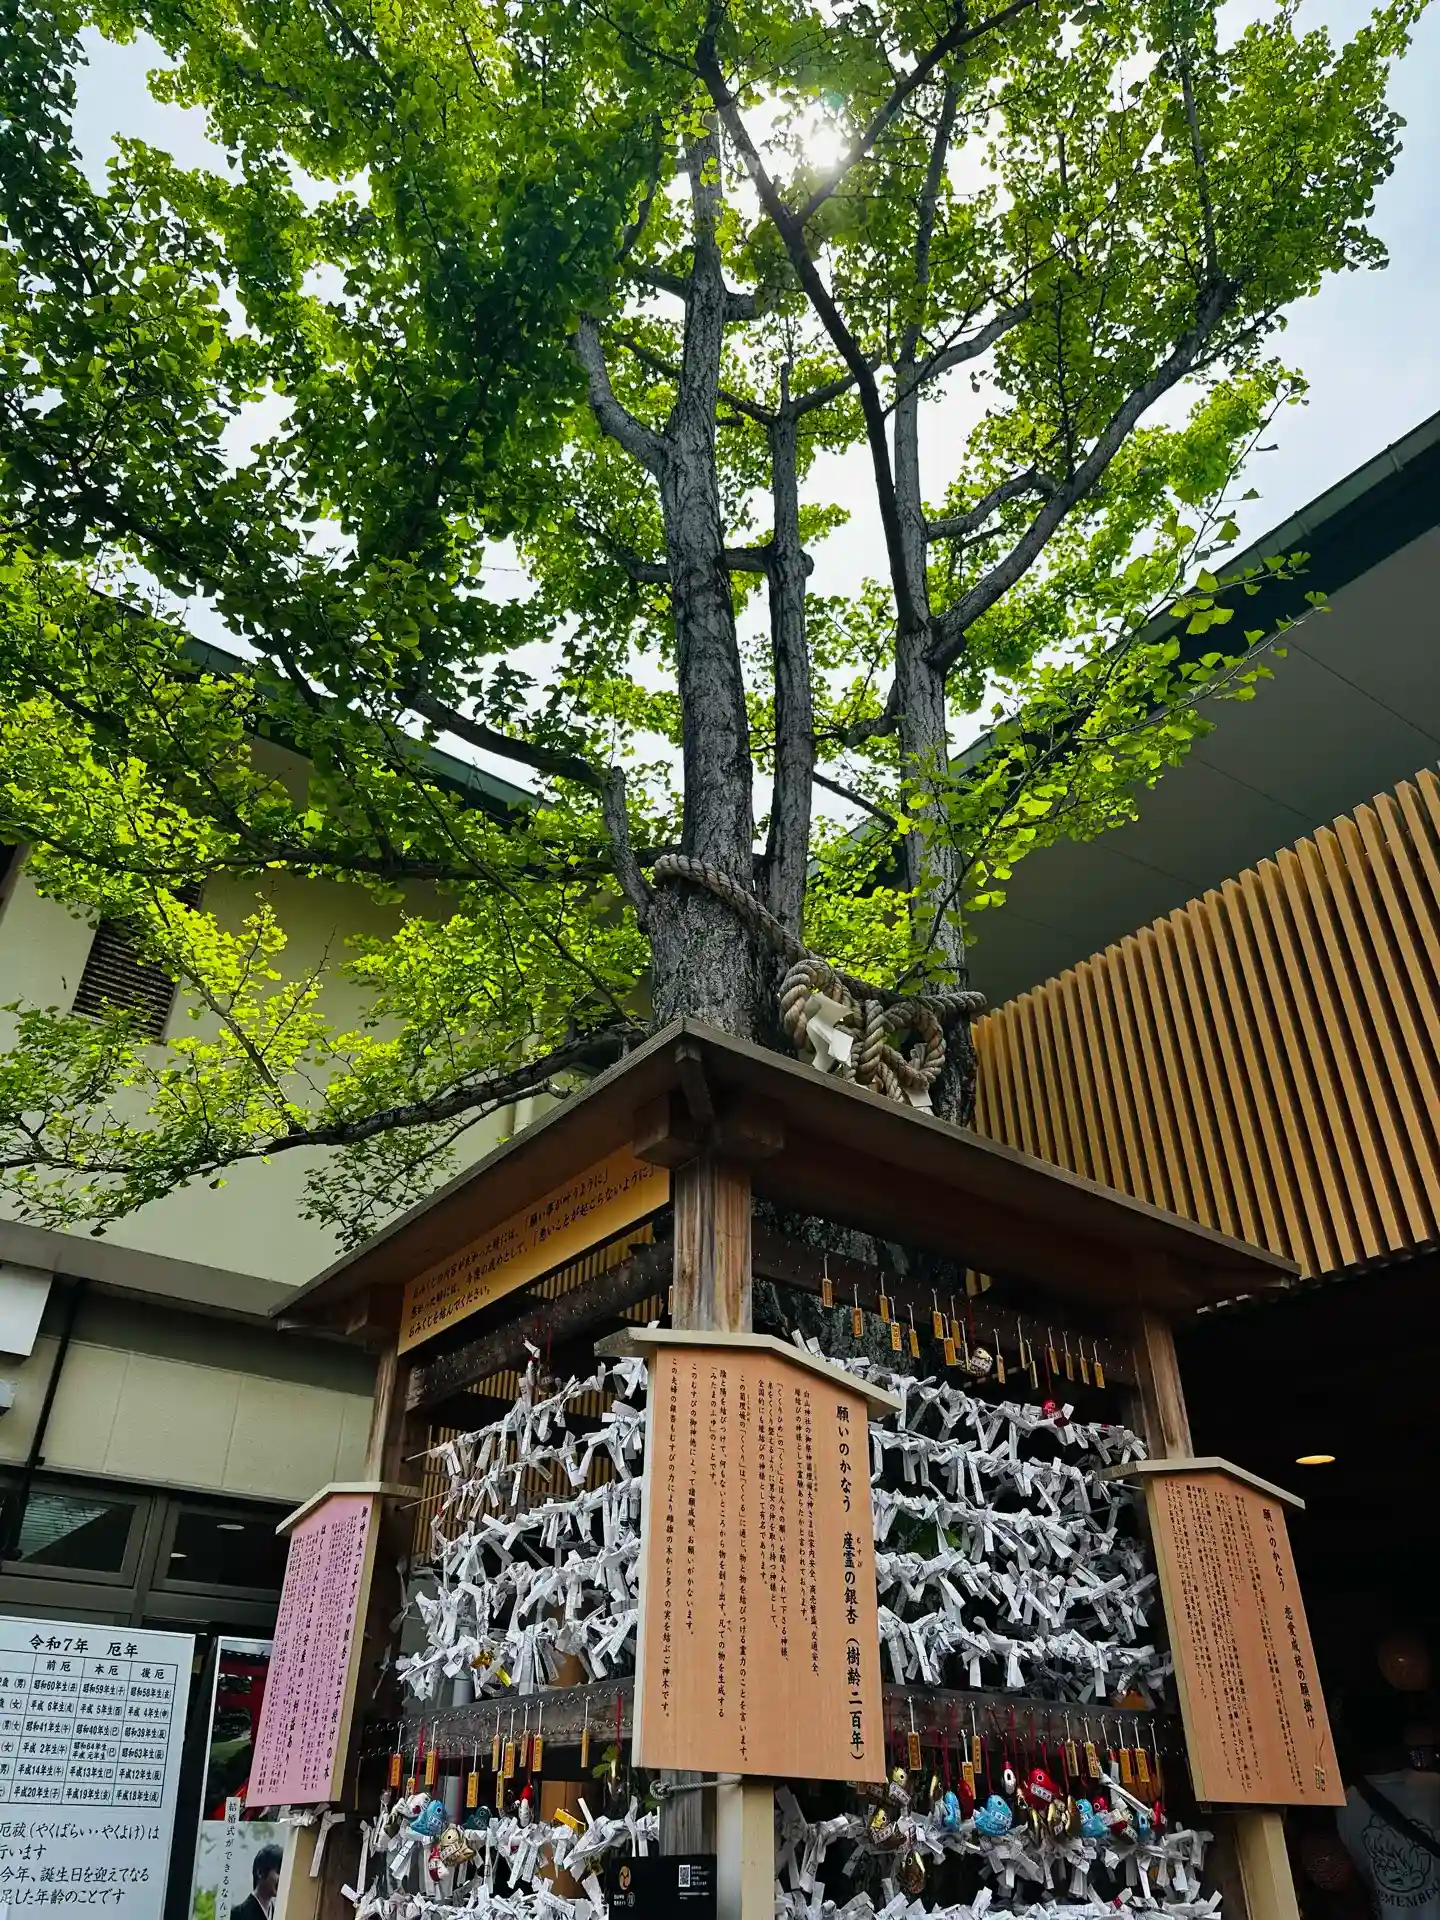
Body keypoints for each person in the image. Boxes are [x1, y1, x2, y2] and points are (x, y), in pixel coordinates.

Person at [230, 1844, 283, 1920]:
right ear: (260, 1873)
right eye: (278, 1872)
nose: (282, 1878)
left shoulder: (279, 1914)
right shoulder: (237, 1915)